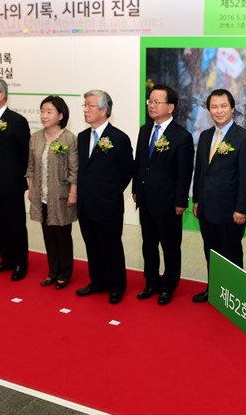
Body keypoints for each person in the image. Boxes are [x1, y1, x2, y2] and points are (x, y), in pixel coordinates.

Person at [192, 89, 246, 303]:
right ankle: (214, 289)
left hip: (230, 210)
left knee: (231, 253)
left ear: (232, 109)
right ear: (209, 110)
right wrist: (197, 200)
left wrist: (242, 209)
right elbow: (200, 172)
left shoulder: (244, 138)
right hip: (206, 207)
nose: (218, 111)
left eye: (223, 106)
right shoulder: (205, 136)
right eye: (214, 107)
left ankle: (235, 296)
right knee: (210, 251)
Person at [132, 84, 194, 305]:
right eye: (150, 101)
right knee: (148, 244)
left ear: (170, 107)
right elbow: (140, 163)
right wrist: (136, 189)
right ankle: (151, 282)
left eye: (157, 102)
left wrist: (180, 201)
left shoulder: (182, 136)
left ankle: (168, 286)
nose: (151, 105)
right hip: (146, 199)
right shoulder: (144, 130)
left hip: (168, 202)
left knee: (170, 247)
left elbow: (184, 173)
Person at [75, 90, 133, 305]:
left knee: (111, 246)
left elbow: (127, 171)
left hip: (108, 205)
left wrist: (110, 192)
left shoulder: (119, 138)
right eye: (84, 105)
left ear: (104, 110)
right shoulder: (82, 137)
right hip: (85, 204)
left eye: (90, 106)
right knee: (92, 244)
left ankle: (117, 286)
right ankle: (97, 281)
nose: (85, 110)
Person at [0, 78, 31, 281]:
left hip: (10, 185)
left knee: (15, 225)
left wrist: (23, 180)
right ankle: (6, 259)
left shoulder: (17, 121)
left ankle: (20, 262)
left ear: (2, 95)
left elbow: (25, 154)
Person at [26, 96, 78, 290]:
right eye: (42, 111)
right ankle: (53, 271)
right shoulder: (36, 137)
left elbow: (74, 170)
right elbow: (31, 167)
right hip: (41, 195)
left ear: (60, 115)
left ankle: (65, 273)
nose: (44, 115)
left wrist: (73, 194)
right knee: (48, 235)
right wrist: (31, 189)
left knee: (62, 236)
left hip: (61, 196)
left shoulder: (69, 138)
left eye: (49, 112)